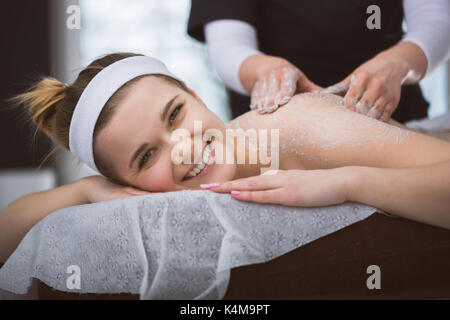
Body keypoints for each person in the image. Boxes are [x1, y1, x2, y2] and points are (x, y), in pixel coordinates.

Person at [1, 52, 450, 264]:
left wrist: (347, 182)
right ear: (130, 183)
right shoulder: (155, 196)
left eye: (176, 114)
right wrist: (86, 189)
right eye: (146, 155)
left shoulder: (297, 127)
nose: (183, 146)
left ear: (195, 94)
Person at [187, 0, 450, 122]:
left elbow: (436, 19)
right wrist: (268, 73)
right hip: (282, 123)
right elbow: (228, 46)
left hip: (390, 112)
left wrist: (397, 64)